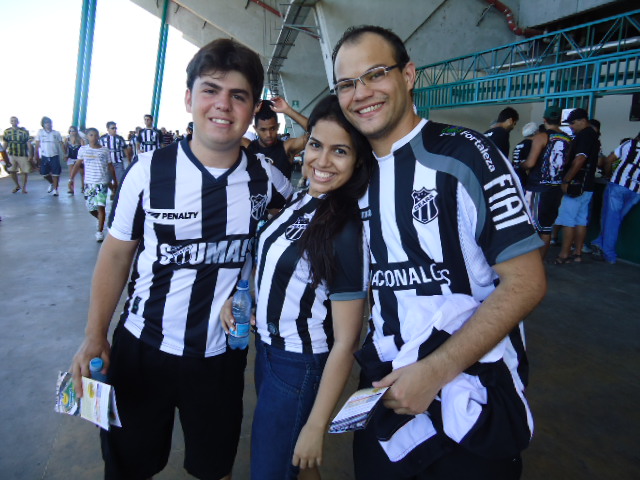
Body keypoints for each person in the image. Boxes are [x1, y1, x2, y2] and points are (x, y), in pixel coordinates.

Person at [70, 37, 293, 480]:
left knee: (214, 467)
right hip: (143, 346)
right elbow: (115, 256)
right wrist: (95, 335)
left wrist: (253, 282)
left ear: (252, 111)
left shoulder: (267, 179)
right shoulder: (148, 172)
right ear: (189, 97)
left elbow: (294, 234)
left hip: (219, 358)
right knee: (128, 465)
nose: (223, 106)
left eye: (238, 95)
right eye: (210, 90)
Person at [332, 25, 546, 479]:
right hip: (385, 393)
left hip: (473, 395)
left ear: (408, 75)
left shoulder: (466, 155)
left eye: (375, 74)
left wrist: (435, 370)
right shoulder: (357, 176)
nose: (361, 93)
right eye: (347, 83)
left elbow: (526, 282)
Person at [222, 95, 373, 480]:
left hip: (299, 364)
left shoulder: (345, 228)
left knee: (271, 470)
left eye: (339, 151)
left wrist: (315, 425)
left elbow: (345, 341)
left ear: (358, 160)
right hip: (270, 353)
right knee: (298, 470)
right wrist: (243, 298)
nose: (321, 161)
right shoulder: (304, 198)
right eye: (315, 145)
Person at [521, 105, 572, 260]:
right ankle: (540, 262)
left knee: (530, 227)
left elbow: (530, 163)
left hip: (538, 188)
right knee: (546, 229)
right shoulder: (568, 139)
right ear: (560, 120)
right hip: (555, 189)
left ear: (544, 119)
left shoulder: (541, 137)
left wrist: (520, 165)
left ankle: (530, 264)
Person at [554, 108, 600, 264]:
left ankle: (564, 255)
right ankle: (578, 253)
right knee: (581, 221)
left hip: (575, 186)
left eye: (573, 123)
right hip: (587, 186)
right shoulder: (594, 135)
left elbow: (580, 160)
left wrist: (566, 180)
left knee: (568, 221)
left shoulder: (584, 136)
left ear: (582, 120)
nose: (571, 127)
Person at [590, 132, 640, 264]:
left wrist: (608, 174)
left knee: (611, 220)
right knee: (616, 220)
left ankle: (609, 254)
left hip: (618, 185)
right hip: (636, 191)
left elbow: (609, 159)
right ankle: (599, 242)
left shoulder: (630, 144)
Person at [243, 97, 309, 179]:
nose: (268, 135)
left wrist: (288, 110)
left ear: (278, 126)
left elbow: (317, 133)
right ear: (255, 128)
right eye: (263, 130)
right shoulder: (247, 147)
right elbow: (223, 134)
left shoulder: (287, 147)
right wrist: (249, 114)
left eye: (272, 128)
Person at [69, 128, 115, 242]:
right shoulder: (83, 150)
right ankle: (100, 219)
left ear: (98, 137)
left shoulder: (104, 150)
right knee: (90, 208)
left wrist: (115, 181)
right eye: (91, 135)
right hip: (89, 183)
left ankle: (99, 232)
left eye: (95, 135)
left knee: (100, 207)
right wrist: (71, 179)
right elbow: (77, 165)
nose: (93, 137)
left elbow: (110, 166)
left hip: (101, 183)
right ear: (87, 137)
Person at [99, 121, 131, 198]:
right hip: (107, 163)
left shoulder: (120, 138)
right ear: (108, 129)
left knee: (120, 179)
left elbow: (125, 149)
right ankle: (114, 189)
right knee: (106, 180)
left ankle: (118, 195)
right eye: (112, 128)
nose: (114, 130)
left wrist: (129, 160)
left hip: (118, 162)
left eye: (115, 128)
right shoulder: (102, 139)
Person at [35, 116, 65, 196]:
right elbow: (37, 145)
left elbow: (61, 144)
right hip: (44, 156)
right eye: (46, 123)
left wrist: (65, 154)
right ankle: (51, 183)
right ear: (43, 124)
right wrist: (36, 155)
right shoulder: (40, 133)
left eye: (49, 122)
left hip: (54, 155)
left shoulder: (56, 133)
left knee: (56, 173)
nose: (48, 124)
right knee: (44, 173)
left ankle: (55, 189)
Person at [3, 116, 33, 194]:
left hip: (22, 154)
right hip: (11, 154)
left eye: (15, 120)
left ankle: (24, 188)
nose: (14, 122)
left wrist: (30, 155)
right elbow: (5, 143)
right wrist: (3, 154)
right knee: (12, 171)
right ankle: (17, 185)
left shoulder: (24, 131)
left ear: (18, 122)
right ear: (10, 122)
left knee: (24, 172)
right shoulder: (7, 131)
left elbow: (29, 143)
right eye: (12, 121)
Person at [510, 121, 538, 189]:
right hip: (524, 179)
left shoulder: (519, 145)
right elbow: (530, 164)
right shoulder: (531, 144)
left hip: (515, 176)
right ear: (536, 133)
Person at [64, 126, 86, 195]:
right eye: (71, 131)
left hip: (79, 158)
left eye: (73, 131)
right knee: (71, 174)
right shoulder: (67, 139)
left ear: (76, 131)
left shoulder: (80, 139)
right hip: (71, 158)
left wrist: (83, 158)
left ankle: (83, 187)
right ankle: (71, 189)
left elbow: (83, 148)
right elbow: (65, 148)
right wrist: (65, 155)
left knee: (82, 173)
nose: (72, 132)